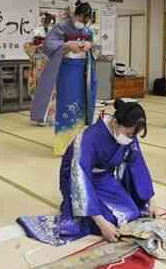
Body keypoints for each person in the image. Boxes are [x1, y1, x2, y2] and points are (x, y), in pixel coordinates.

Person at [18, 99, 158, 244]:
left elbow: (138, 165)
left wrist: (150, 201)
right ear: (115, 123)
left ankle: (93, 210)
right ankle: (73, 205)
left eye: (134, 136)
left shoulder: (128, 135)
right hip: (77, 178)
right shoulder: (90, 137)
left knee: (132, 213)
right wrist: (102, 224)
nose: (131, 139)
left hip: (103, 178)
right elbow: (78, 176)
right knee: (109, 220)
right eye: (129, 134)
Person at [42, 1, 99, 156]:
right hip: (67, 68)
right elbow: (48, 44)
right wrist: (67, 45)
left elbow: (96, 47)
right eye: (80, 18)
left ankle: (80, 144)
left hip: (84, 69)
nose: (82, 22)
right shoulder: (62, 26)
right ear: (76, 15)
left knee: (84, 103)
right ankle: (64, 144)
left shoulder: (88, 30)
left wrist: (90, 45)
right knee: (67, 102)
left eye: (85, 19)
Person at [25, 12, 57, 126]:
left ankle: (51, 116)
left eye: (49, 20)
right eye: (46, 19)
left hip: (51, 63)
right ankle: (39, 117)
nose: (47, 21)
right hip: (39, 63)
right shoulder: (36, 31)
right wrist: (36, 47)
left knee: (52, 91)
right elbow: (27, 46)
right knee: (38, 90)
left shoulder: (56, 32)